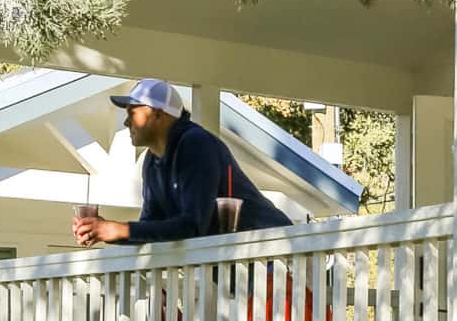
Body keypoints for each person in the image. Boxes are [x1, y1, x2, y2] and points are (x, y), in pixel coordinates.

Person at [73, 77, 296, 245]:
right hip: (240, 267)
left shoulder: (196, 144)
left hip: (273, 256)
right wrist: (103, 230)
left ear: (158, 114)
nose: (126, 122)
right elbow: (152, 228)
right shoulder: (152, 161)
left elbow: (192, 225)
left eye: (132, 113)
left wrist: (120, 230)